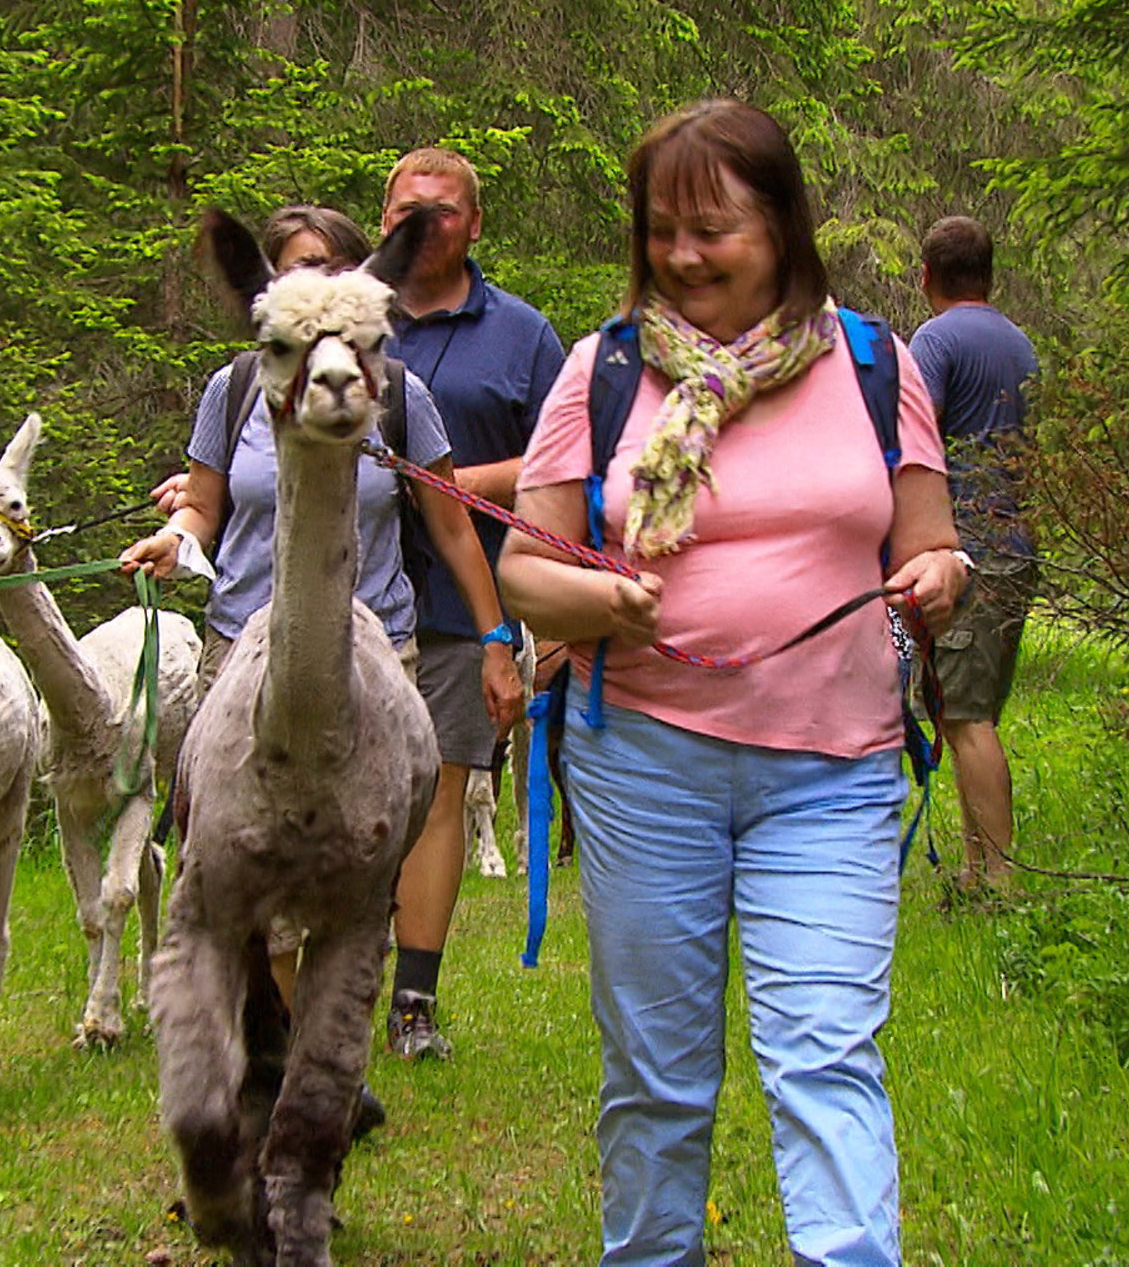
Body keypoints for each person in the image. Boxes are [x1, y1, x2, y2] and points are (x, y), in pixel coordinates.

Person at [499, 99, 970, 1267]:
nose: (684, 255)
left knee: (823, 1055)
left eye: (713, 227)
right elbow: (522, 571)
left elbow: (930, 542)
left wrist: (936, 575)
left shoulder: (873, 363)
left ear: (784, 226)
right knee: (656, 1080)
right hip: (643, 766)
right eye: (662, 230)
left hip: (836, 771)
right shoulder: (601, 370)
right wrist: (598, 598)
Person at [117, 203, 518, 996]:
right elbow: (204, 506)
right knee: (248, 844)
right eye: (300, 268)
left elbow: (450, 524)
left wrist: (495, 640)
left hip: (370, 645)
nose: (319, 285)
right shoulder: (235, 389)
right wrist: (178, 541)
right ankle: (283, 1037)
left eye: (334, 268)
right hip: (245, 644)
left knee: (357, 851)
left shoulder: (394, 393)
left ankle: (372, 1015)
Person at [377, 147, 552, 1060]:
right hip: (345, 597)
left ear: (474, 224)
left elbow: (570, 457)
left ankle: (413, 1001)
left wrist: (448, 482)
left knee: (440, 788)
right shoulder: (344, 321)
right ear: (383, 220)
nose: (426, 224)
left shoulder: (522, 335)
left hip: (460, 594)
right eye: (410, 209)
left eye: (444, 211)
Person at [910, 214, 1040, 893]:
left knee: (965, 718)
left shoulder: (934, 339)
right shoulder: (1019, 344)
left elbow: (914, 434)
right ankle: (973, 869)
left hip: (966, 552)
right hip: (1018, 545)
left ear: (926, 274)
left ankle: (995, 878)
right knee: (969, 713)